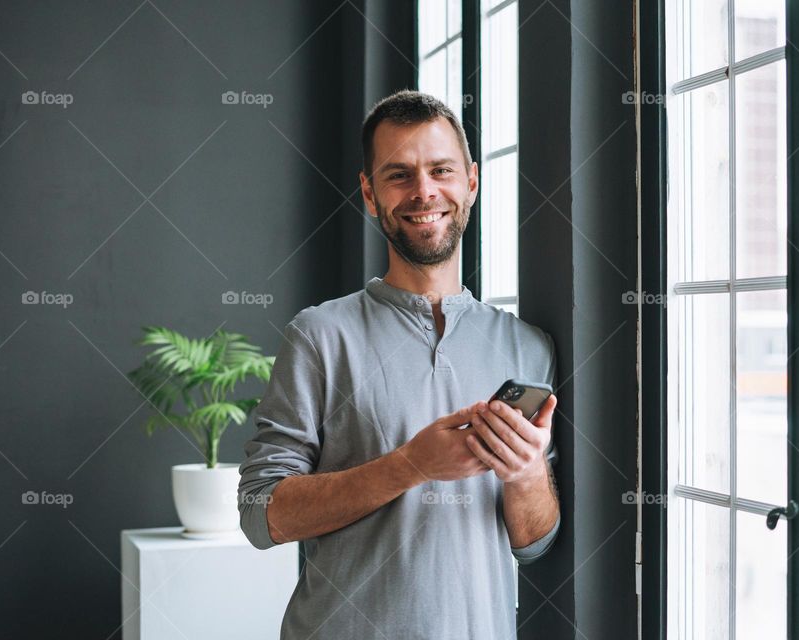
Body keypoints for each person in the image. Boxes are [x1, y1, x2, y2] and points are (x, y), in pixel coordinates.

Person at [238, 89, 560, 639]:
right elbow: (260, 513)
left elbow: (532, 544)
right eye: (398, 175)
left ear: (472, 182)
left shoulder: (528, 346)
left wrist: (526, 472)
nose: (424, 192)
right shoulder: (319, 335)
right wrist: (411, 465)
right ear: (369, 193)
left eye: (441, 170)